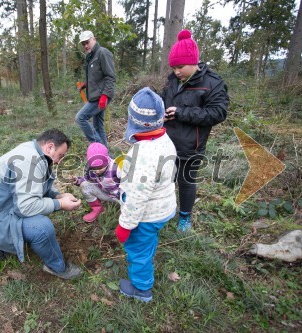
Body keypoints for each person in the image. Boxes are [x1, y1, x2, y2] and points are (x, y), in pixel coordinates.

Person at [0, 129, 83, 280]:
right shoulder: (29, 161)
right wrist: (60, 203)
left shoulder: (32, 151)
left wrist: (57, 195)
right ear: (50, 147)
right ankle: (57, 267)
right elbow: (25, 207)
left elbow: (34, 186)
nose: (59, 161)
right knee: (42, 227)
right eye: (60, 155)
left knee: (42, 212)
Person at [161, 29, 229, 232]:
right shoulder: (172, 80)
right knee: (166, 179)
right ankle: (166, 211)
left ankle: (185, 218)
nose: (176, 72)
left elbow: (217, 113)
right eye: (173, 67)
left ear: (194, 62)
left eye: (180, 67)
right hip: (166, 142)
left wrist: (181, 113)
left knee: (186, 181)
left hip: (192, 145)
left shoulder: (212, 83)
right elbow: (164, 99)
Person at [114, 87, 177, 303]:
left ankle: (141, 289)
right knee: (147, 241)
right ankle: (146, 259)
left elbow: (137, 196)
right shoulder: (164, 140)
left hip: (147, 215)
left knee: (137, 248)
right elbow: (155, 173)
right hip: (163, 208)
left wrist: (125, 225)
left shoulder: (142, 154)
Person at [76, 30, 116, 148]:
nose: (86, 46)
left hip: (100, 97)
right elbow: (98, 77)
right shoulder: (90, 57)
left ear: (94, 39)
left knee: (80, 118)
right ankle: (106, 157)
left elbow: (110, 76)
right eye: (83, 44)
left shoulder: (102, 53)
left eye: (87, 42)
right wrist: (86, 84)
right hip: (95, 96)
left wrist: (105, 96)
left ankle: (98, 147)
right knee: (98, 127)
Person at [71, 142, 120, 223]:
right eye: (94, 168)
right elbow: (87, 180)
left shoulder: (116, 167)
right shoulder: (91, 170)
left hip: (121, 196)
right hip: (107, 194)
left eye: (100, 167)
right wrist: (77, 181)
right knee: (85, 186)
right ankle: (97, 208)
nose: (97, 171)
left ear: (107, 160)